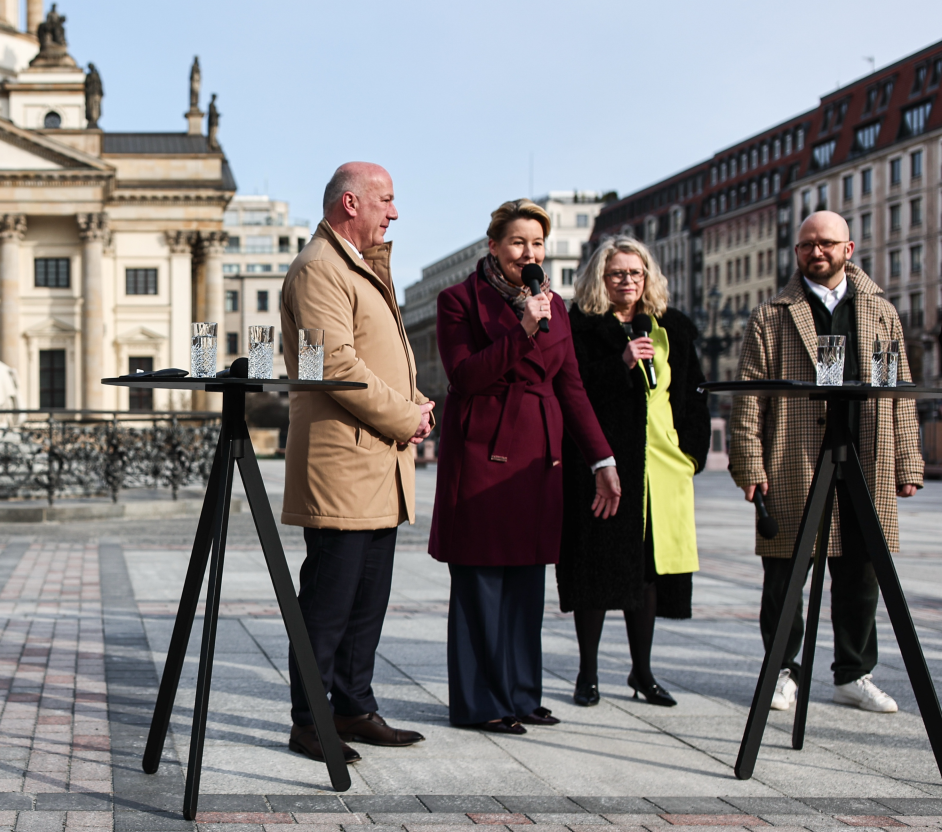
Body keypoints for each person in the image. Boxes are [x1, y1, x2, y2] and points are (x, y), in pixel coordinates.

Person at [429, 198, 621, 735]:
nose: (528, 253)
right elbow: (465, 376)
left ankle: (520, 693)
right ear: (493, 246)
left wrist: (602, 458)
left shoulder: (553, 305)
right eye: (518, 242)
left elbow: (572, 387)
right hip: (483, 450)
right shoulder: (458, 300)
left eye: (537, 243)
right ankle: (479, 702)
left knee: (526, 581)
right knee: (483, 580)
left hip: (541, 455)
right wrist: (522, 331)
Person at [729, 210, 923, 714]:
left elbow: (896, 393)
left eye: (827, 243)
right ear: (796, 253)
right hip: (795, 455)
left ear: (849, 249)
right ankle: (782, 672)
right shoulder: (772, 315)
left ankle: (853, 673)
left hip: (868, 455)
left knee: (862, 572)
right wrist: (749, 463)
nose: (817, 252)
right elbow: (750, 398)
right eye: (807, 245)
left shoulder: (880, 312)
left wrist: (908, 461)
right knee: (785, 571)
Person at [279, 162, 435, 762]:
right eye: (386, 200)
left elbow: (380, 356)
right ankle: (311, 720)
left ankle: (352, 705)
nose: (394, 213)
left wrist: (416, 403)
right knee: (328, 602)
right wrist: (407, 417)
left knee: (366, 600)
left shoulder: (359, 267)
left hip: (377, 464)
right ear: (351, 202)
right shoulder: (321, 268)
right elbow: (335, 367)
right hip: (343, 466)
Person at [558, 236, 708, 709]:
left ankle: (642, 672)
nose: (627, 281)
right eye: (617, 273)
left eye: (635, 273)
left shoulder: (671, 328)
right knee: (596, 567)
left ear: (648, 278)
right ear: (600, 278)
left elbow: (691, 393)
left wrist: (692, 456)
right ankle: (588, 673)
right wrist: (620, 363)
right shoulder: (579, 325)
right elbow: (572, 388)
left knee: (647, 572)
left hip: (661, 463)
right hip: (603, 462)